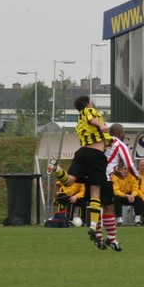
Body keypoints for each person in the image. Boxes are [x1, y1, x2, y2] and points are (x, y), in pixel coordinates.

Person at [47, 96, 118, 251]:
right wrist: (101, 125)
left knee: (69, 181)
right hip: (95, 155)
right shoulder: (89, 110)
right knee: (95, 191)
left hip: (82, 153)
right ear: (88, 103)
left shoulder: (79, 121)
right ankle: (93, 226)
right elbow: (93, 119)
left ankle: (57, 169)